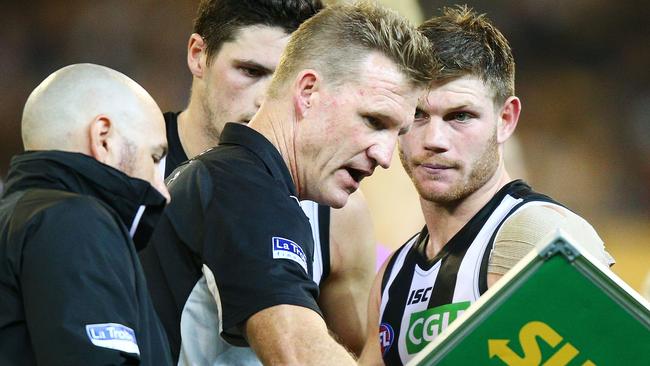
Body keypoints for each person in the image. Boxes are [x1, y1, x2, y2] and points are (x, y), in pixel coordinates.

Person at [140, 2, 434, 365]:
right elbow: (298, 353)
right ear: (307, 91)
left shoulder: (242, 179)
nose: (385, 155)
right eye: (373, 121)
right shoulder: (241, 186)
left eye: (398, 132)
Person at [359, 6, 616, 365]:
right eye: (417, 115)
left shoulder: (539, 235)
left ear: (505, 120)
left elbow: (616, 352)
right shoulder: (392, 276)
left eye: (460, 116)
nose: (434, 139)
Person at [0, 64, 173, 365]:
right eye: (155, 157)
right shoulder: (74, 220)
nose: (164, 191)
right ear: (103, 137)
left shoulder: (18, 216)